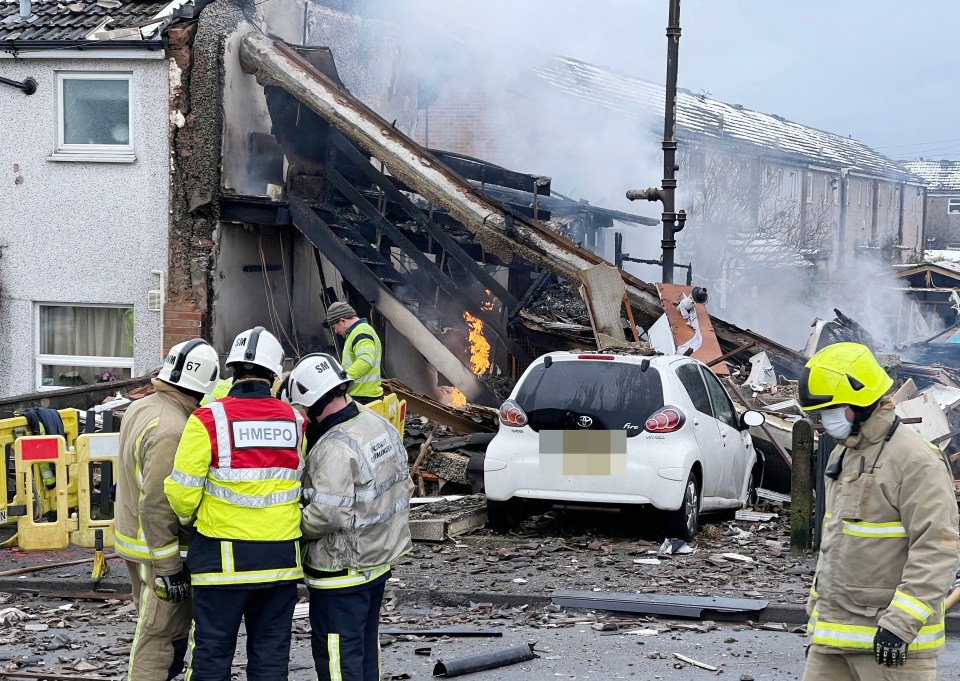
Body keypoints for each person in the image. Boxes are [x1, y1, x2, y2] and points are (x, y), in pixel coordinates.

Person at [798, 342, 959, 680]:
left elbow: (938, 548)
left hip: (893, 648)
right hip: (830, 642)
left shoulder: (915, 459)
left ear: (860, 404)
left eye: (829, 411)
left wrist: (901, 624)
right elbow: (835, 545)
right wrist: (815, 618)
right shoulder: (842, 456)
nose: (822, 421)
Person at [164, 326, 306, 681]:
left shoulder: (207, 419)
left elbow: (182, 493)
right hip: (280, 561)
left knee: (212, 652)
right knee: (272, 654)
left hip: (221, 562)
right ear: (274, 375)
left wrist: (189, 519)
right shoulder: (297, 420)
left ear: (233, 371)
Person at [284, 352, 412, 681]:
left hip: (341, 569)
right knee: (365, 648)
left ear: (312, 403)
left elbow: (324, 516)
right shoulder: (377, 423)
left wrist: (286, 527)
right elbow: (403, 486)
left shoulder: (331, 448)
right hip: (377, 561)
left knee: (338, 654)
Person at [115, 338, 220, 680]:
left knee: (162, 629)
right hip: (156, 549)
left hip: (136, 541)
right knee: (158, 635)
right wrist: (170, 568)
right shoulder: (173, 428)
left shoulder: (142, 406)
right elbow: (158, 504)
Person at [323, 301, 383, 404]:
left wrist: (341, 378)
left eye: (334, 327)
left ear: (343, 321)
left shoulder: (360, 332)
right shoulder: (358, 332)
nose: (336, 332)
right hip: (365, 395)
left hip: (363, 398)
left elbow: (365, 362)